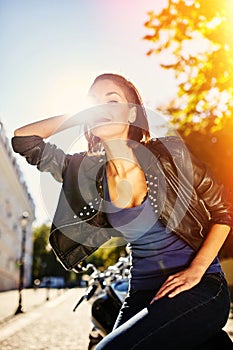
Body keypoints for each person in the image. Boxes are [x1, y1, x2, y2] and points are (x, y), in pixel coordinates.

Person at [12, 73, 233, 349]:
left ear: (131, 114)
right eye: (94, 102)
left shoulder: (169, 153)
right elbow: (23, 140)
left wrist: (197, 270)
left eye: (111, 100)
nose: (100, 108)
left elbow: (223, 210)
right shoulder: (86, 173)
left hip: (200, 285)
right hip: (141, 292)